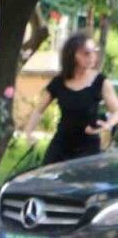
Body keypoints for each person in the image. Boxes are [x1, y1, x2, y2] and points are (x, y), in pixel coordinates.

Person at [21, 30, 118, 164]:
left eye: (94, 52)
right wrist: (29, 132)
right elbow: (38, 110)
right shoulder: (59, 82)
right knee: (49, 175)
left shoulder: (100, 81)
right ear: (73, 55)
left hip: (88, 146)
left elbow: (116, 111)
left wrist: (107, 125)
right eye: (86, 53)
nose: (92, 56)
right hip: (61, 144)